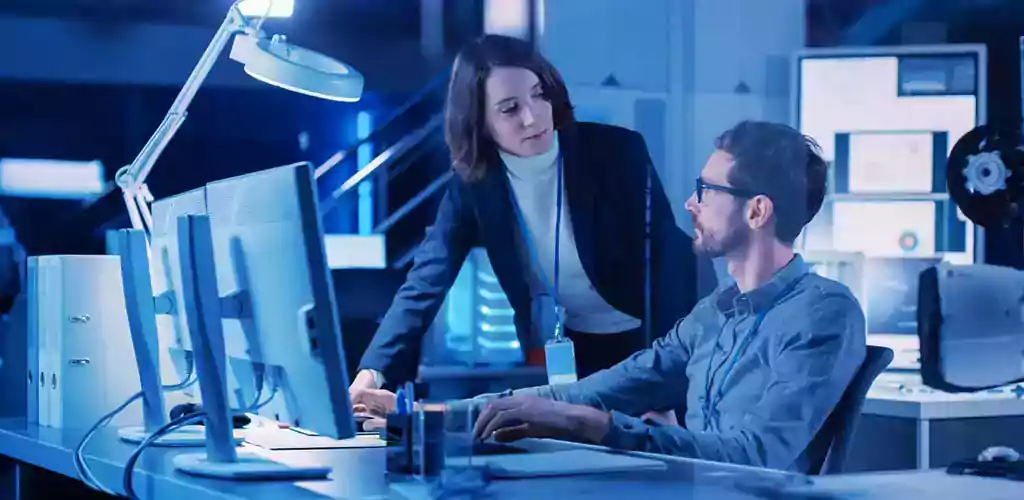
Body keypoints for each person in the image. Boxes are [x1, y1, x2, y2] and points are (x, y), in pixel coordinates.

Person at [470, 121, 867, 473]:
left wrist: (588, 424)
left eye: (707, 191)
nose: (691, 204)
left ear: (757, 211)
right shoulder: (714, 313)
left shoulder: (822, 312)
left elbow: (754, 456)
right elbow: (597, 391)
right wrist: (442, 413)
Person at [350, 34, 714, 397]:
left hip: (658, 333)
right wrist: (371, 375)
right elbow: (425, 281)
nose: (533, 116)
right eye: (509, 108)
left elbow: (664, 265)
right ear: (478, 121)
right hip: (578, 343)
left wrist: (664, 382)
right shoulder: (476, 186)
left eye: (539, 94)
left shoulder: (615, 151)